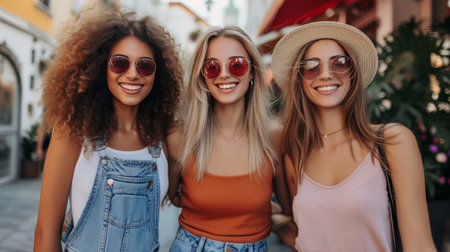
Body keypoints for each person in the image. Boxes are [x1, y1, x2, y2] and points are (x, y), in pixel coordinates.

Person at [271, 21, 437, 251]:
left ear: (353, 72)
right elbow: (305, 235)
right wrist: (275, 221)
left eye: (339, 63)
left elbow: (419, 245)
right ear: (300, 79)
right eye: (311, 66)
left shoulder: (391, 142)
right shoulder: (296, 155)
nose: (326, 74)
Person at [34, 7, 183, 252]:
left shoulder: (164, 138)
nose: (133, 74)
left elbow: (190, 196)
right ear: (101, 67)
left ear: (159, 74)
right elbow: (46, 232)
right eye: (120, 63)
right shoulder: (73, 133)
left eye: (145, 66)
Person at [166, 26, 290, 252]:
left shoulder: (275, 137)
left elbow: (291, 210)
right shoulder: (179, 137)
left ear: (252, 71)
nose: (224, 74)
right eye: (212, 67)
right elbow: (174, 197)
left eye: (237, 65)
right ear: (202, 76)